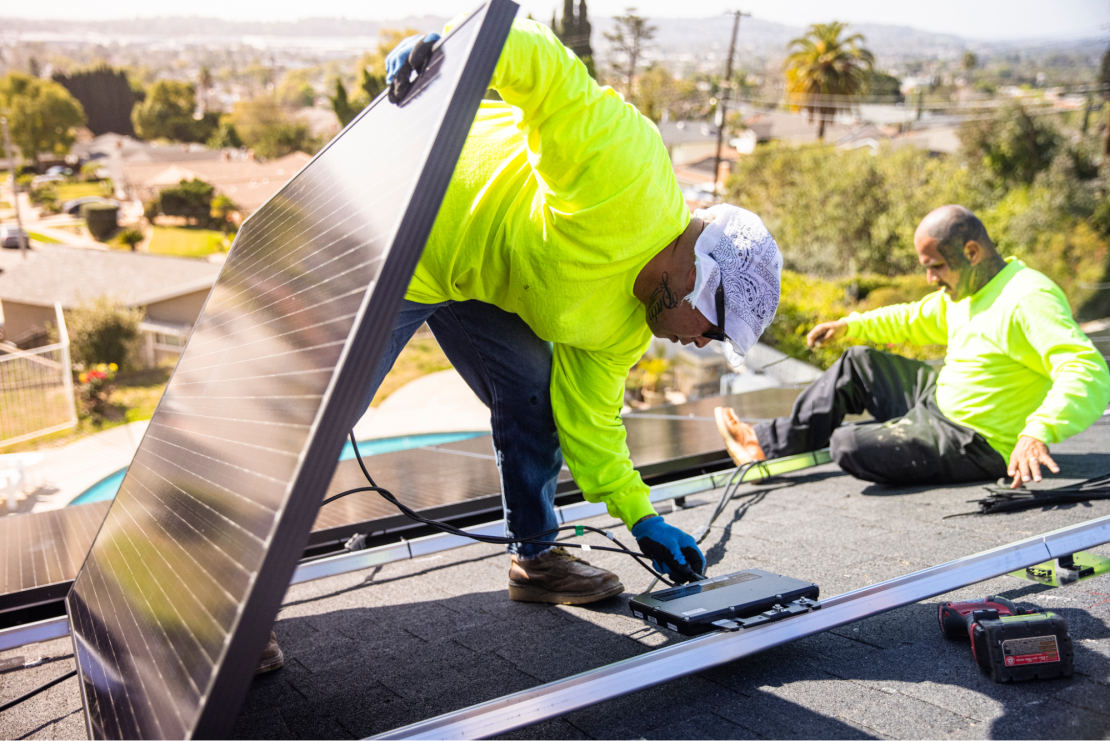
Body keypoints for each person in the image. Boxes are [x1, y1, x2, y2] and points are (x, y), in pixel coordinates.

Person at [716, 205, 1110, 489]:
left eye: (936, 266)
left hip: (975, 439)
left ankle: (903, 434)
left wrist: (1037, 431)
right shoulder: (968, 289)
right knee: (857, 364)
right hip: (938, 398)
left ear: (971, 252)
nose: (929, 277)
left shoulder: (1028, 297)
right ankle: (766, 445)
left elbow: (1086, 370)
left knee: (846, 444)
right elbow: (914, 318)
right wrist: (850, 326)